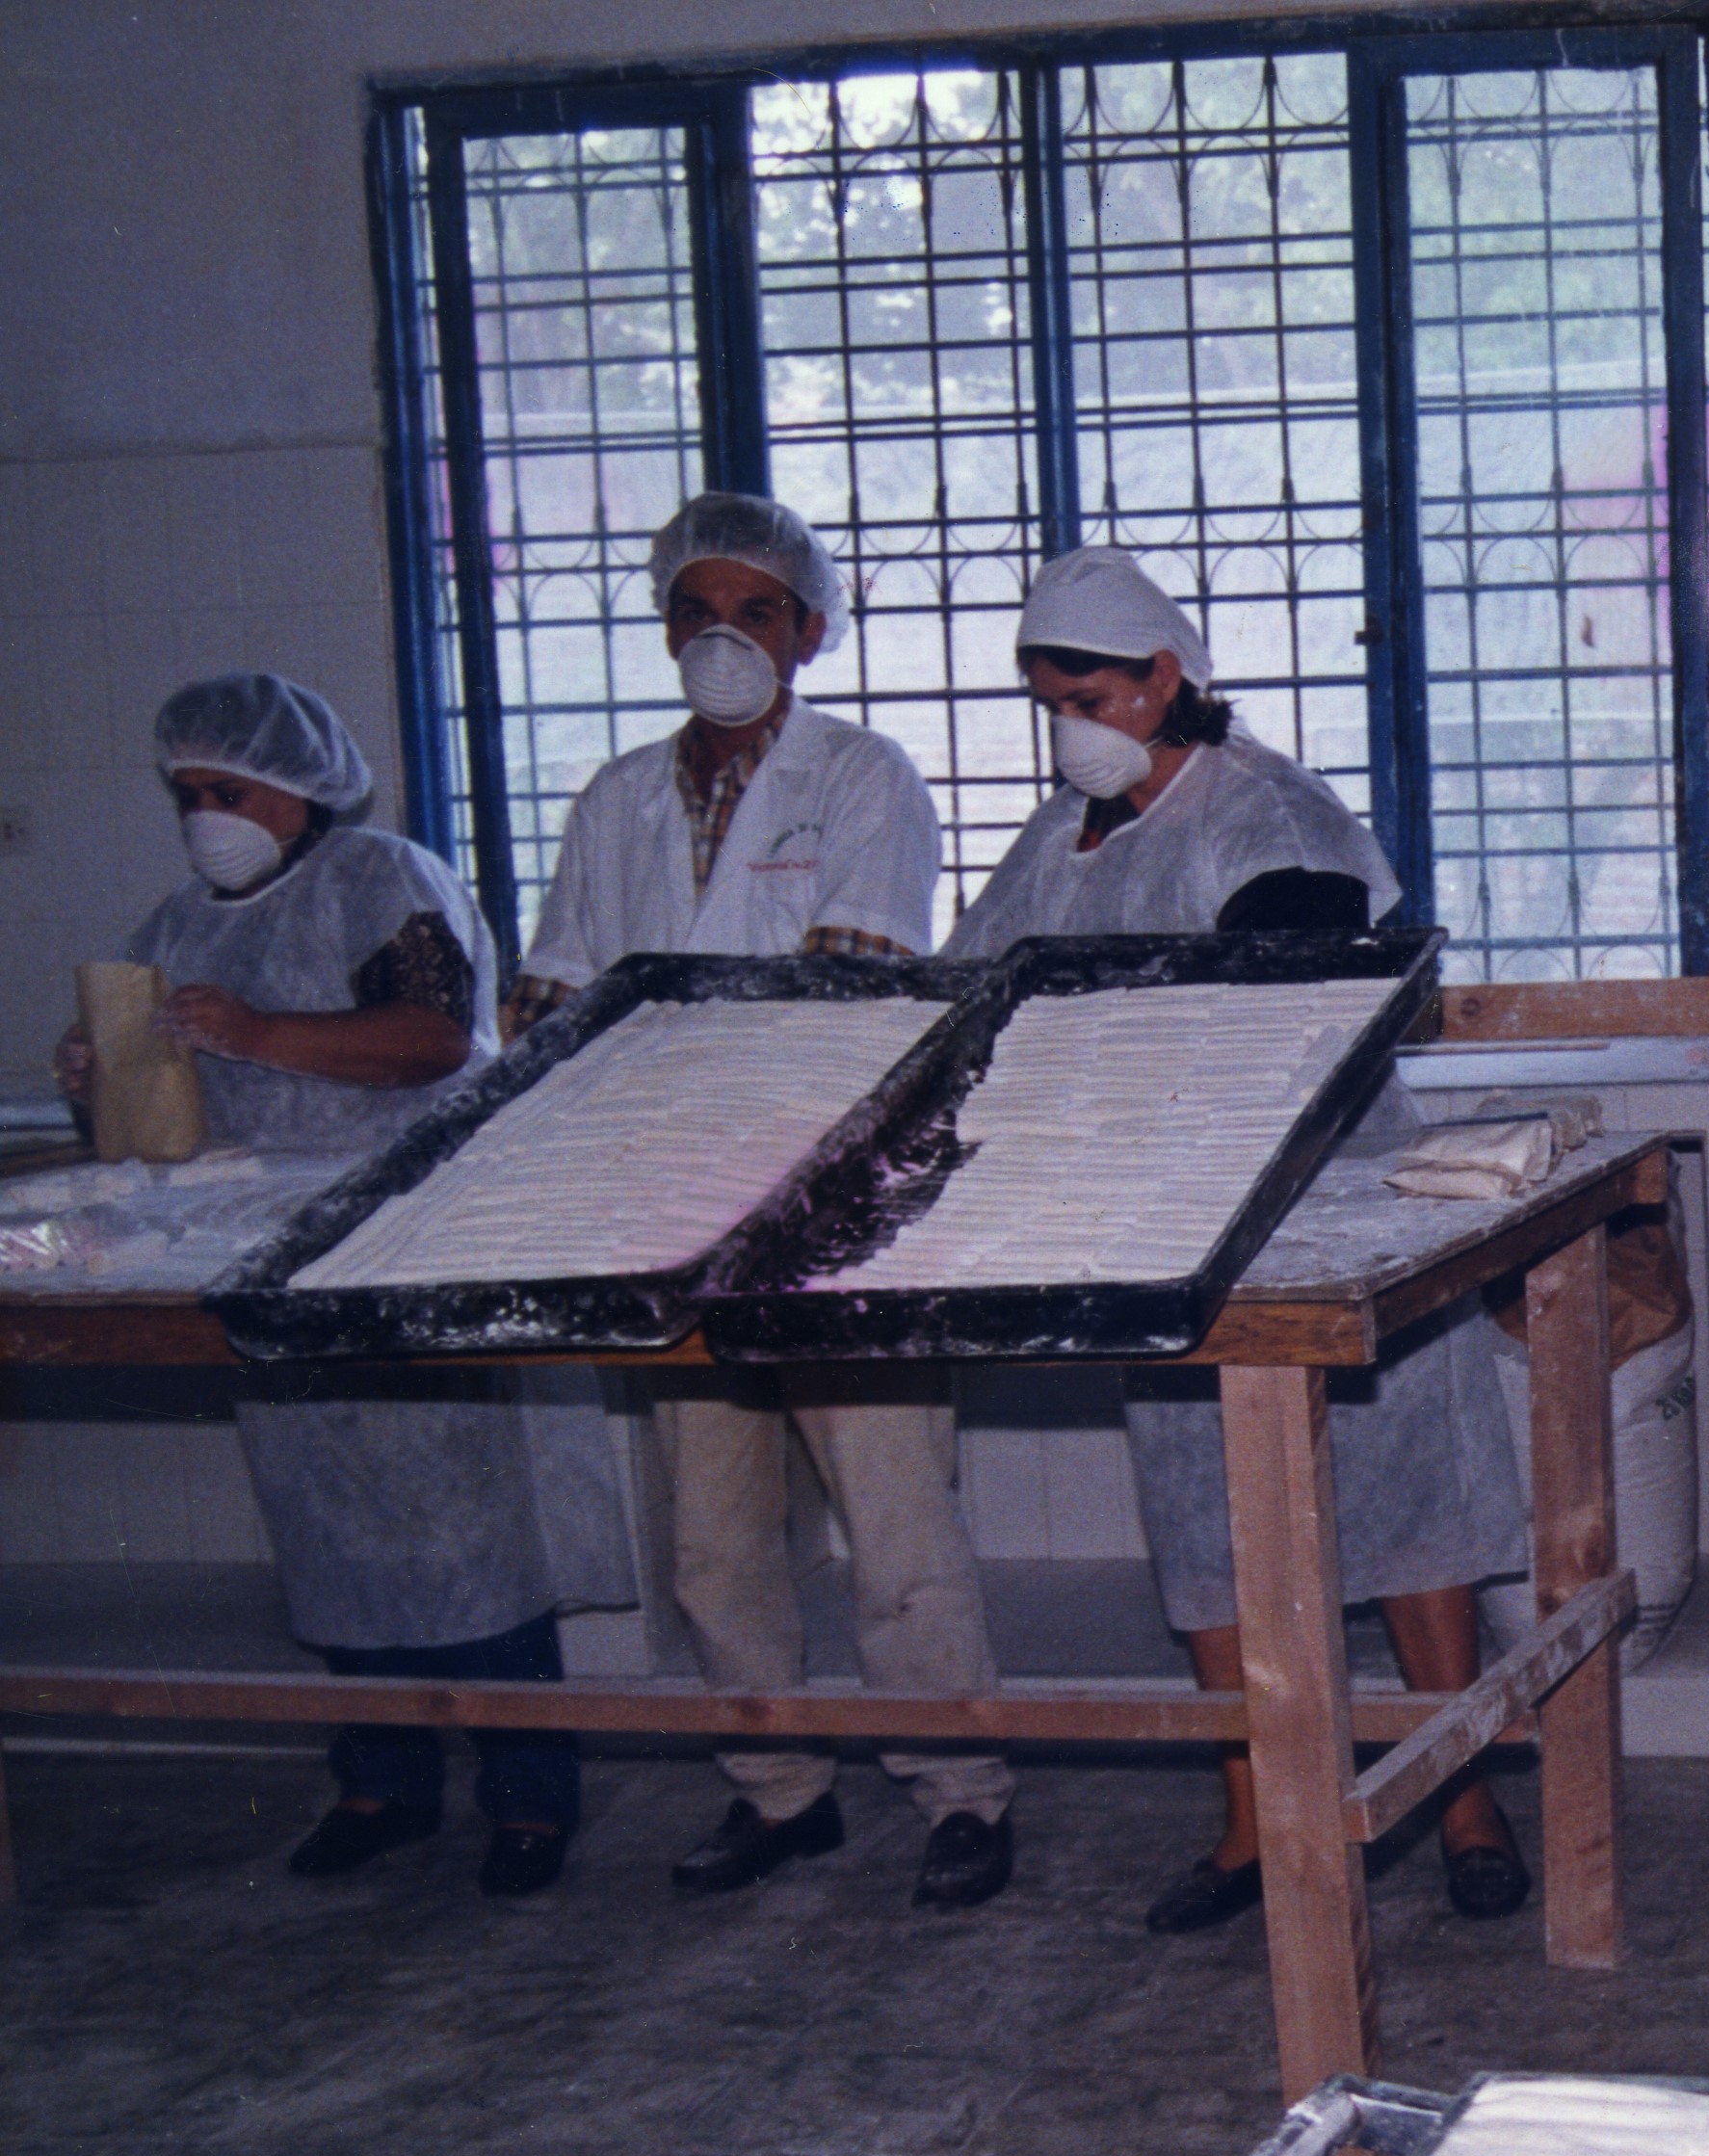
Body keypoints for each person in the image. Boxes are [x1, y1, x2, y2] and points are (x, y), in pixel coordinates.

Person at [949, 546, 1538, 1936]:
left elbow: (1293, 992)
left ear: (1164, 678)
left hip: (1332, 1200)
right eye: (1050, 704)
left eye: (1089, 695)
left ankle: (1463, 1798)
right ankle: (1254, 1818)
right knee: (1205, 1524)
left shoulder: (1264, 808)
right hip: (1167, 1220)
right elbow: (974, 985)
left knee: (1409, 1512)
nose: (1071, 727)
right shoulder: (1060, 836)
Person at [526, 491, 1017, 1911]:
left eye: (756, 612)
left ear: (808, 631)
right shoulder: (617, 798)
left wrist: (657, 1028)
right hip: (669, 1209)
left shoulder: (863, 778)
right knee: (713, 1536)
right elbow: (554, 998)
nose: (722, 638)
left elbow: (848, 990)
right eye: (697, 611)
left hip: (831, 1205)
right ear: (662, 627)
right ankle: (780, 1788)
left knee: (896, 1524)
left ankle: (961, 1792)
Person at [53, 674, 586, 1898]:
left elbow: (433, 1038)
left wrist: (255, 1032)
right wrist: (98, 1075)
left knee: (461, 1532)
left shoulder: (380, 879)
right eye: (189, 795)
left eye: (230, 792)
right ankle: (380, 1783)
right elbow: (151, 1117)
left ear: (302, 789)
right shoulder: (173, 925)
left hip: (398, 1245)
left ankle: (528, 1796)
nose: (208, 817)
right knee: (328, 1530)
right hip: (261, 1264)